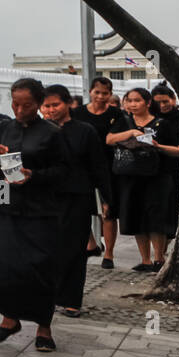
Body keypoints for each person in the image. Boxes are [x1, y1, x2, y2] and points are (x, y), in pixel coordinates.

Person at [0, 78, 70, 351]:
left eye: (26, 105)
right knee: (3, 265)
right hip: (5, 206)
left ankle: (44, 327)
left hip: (40, 212)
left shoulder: (52, 133)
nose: (19, 110)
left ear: (39, 104)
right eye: (15, 104)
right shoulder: (1, 129)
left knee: (39, 269)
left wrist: (34, 175)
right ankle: (9, 320)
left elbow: (65, 172)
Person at [40, 84, 111, 317]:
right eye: (46, 106)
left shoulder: (84, 130)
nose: (50, 110)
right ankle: (48, 295)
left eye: (55, 105)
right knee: (47, 249)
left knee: (74, 250)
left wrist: (107, 198)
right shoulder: (38, 130)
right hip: (45, 198)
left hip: (77, 197)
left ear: (68, 103)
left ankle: (71, 300)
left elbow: (98, 166)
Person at [107, 87, 172, 272]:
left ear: (148, 102)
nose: (133, 104)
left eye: (137, 100)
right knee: (135, 218)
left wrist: (158, 146)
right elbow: (109, 139)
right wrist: (131, 133)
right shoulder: (124, 121)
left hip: (155, 177)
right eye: (129, 100)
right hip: (130, 176)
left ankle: (158, 258)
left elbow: (178, 149)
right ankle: (145, 260)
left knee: (155, 218)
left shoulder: (161, 124)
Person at [71, 77, 127, 268]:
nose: (101, 96)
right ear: (90, 92)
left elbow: (114, 139)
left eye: (105, 93)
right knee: (82, 209)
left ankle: (109, 254)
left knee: (108, 211)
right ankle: (91, 244)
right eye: (97, 92)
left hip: (108, 167)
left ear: (110, 94)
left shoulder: (117, 114)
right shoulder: (77, 113)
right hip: (82, 167)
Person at [149, 84, 179, 268]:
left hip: (177, 169)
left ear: (173, 99)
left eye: (166, 101)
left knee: (172, 211)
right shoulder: (150, 119)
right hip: (154, 171)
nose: (163, 105)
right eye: (158, 102)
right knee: (158, 213)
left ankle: (166, 249)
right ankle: (158, 254)